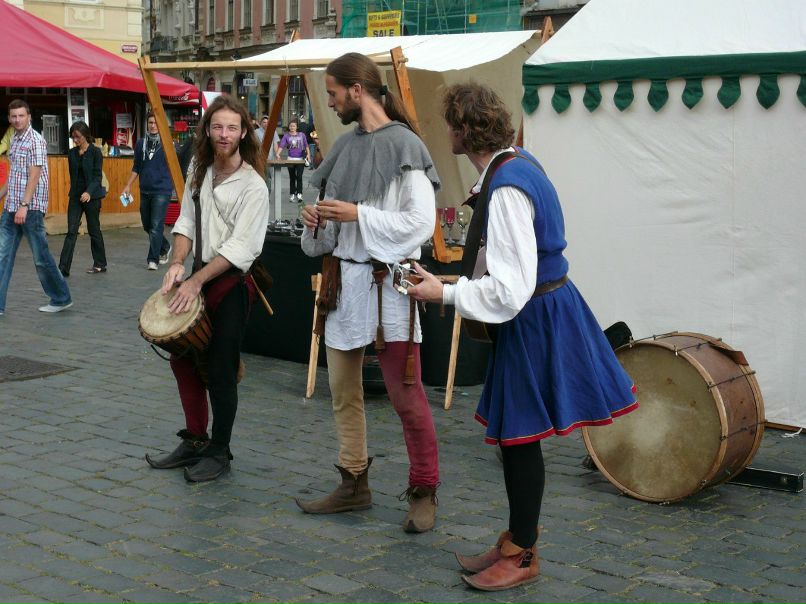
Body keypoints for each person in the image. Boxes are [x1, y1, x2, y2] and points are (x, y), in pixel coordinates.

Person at [407, 83, 638, 591]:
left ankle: (525, 552)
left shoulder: (509, 184)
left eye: (450, 124)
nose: (446, 132)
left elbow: (511, 288)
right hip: (540, 310)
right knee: (518, 435)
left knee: (519, 436)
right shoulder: (518, 163)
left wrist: (443, 295)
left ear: (465, 131)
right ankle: (516, 540)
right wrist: (450, 284)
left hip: (533, 316)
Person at [296, 52, 442, 533]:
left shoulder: (406, 146)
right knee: (342, 391)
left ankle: (423, 489)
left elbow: (420, 224)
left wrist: (358, 216)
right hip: (347, 283)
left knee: (406, 397)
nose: (332, 102)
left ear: (358, 91)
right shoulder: (344, 146)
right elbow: (324, 224)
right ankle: (354, 483)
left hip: (391, 288)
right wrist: (314, 218)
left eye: (335, 94)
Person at [144, 95, 269, 483]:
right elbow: (185, 222)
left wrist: (197, 281)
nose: (224, 134)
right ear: (208, 130)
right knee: (182, 359)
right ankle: (195, 439)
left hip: (229, 284)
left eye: (232, 127)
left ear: (244, 131)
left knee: (220, 368)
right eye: (218, 126)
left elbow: (241, 248)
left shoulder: (254, 186)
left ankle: (220, 450)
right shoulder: (199, 167)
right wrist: (179, 263)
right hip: (196, 274)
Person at [0, 99, 72, 316]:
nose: (17, 119)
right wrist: (2, 194)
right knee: (2, 255)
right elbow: (15, 175)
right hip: (11, 207)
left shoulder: (36, 141)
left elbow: (34, 175)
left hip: (29, 209)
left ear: (29, 116)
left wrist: (24, 205)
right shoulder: (15, 140)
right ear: (9, 118)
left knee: (41, 257)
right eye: (13, 116)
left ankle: (61, 298)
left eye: (21, 115)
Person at [122, 113, 174, 271]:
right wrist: (128, 185)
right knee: (147, 225)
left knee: (156, 225)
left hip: (162, 190)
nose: (153, 125)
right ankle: (164, 246)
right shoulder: (140, 143)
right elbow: (136, 167)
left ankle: (153, 259)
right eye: (150, 122)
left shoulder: (168, 144)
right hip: (145, 189)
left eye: (156, 123)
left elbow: (175, 167)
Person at [58, 121, 108, 276]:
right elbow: (74, 176)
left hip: (91, 197)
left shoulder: (95, 152)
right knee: (71, 231)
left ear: (85, 135)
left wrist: (89, 192)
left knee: (94, 230)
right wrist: (78, 193)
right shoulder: (72, 154)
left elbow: (97, 176)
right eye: (73, 137)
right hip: (75, 197)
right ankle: (63, 268)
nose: (75, 140)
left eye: (78, 137)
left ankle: (100, 263)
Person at [275, 118, 310, 203]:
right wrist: (277, 153)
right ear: (289, 127)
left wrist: (308, 154)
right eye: (290, 126)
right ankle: (292, 194)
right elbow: (282, 145)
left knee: (299, 177)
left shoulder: (302, 135)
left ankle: (299, 194)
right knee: (292, 177)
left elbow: (306, 145)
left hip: (300, 159)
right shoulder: (286, 136)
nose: (292, 127)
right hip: (290, 159)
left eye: (294, 126)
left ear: (296, 127)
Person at [255, 115, 279, 186]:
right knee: (260, 177)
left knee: (268, 178)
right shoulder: (256, 132)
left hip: (270, 158)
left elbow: (275, 144)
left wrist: (277, 155)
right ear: (261, 123)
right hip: (259, 159)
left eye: (267, 122)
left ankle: (267, 194)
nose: (266, 124)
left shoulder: (273, 132)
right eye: (264, 122)